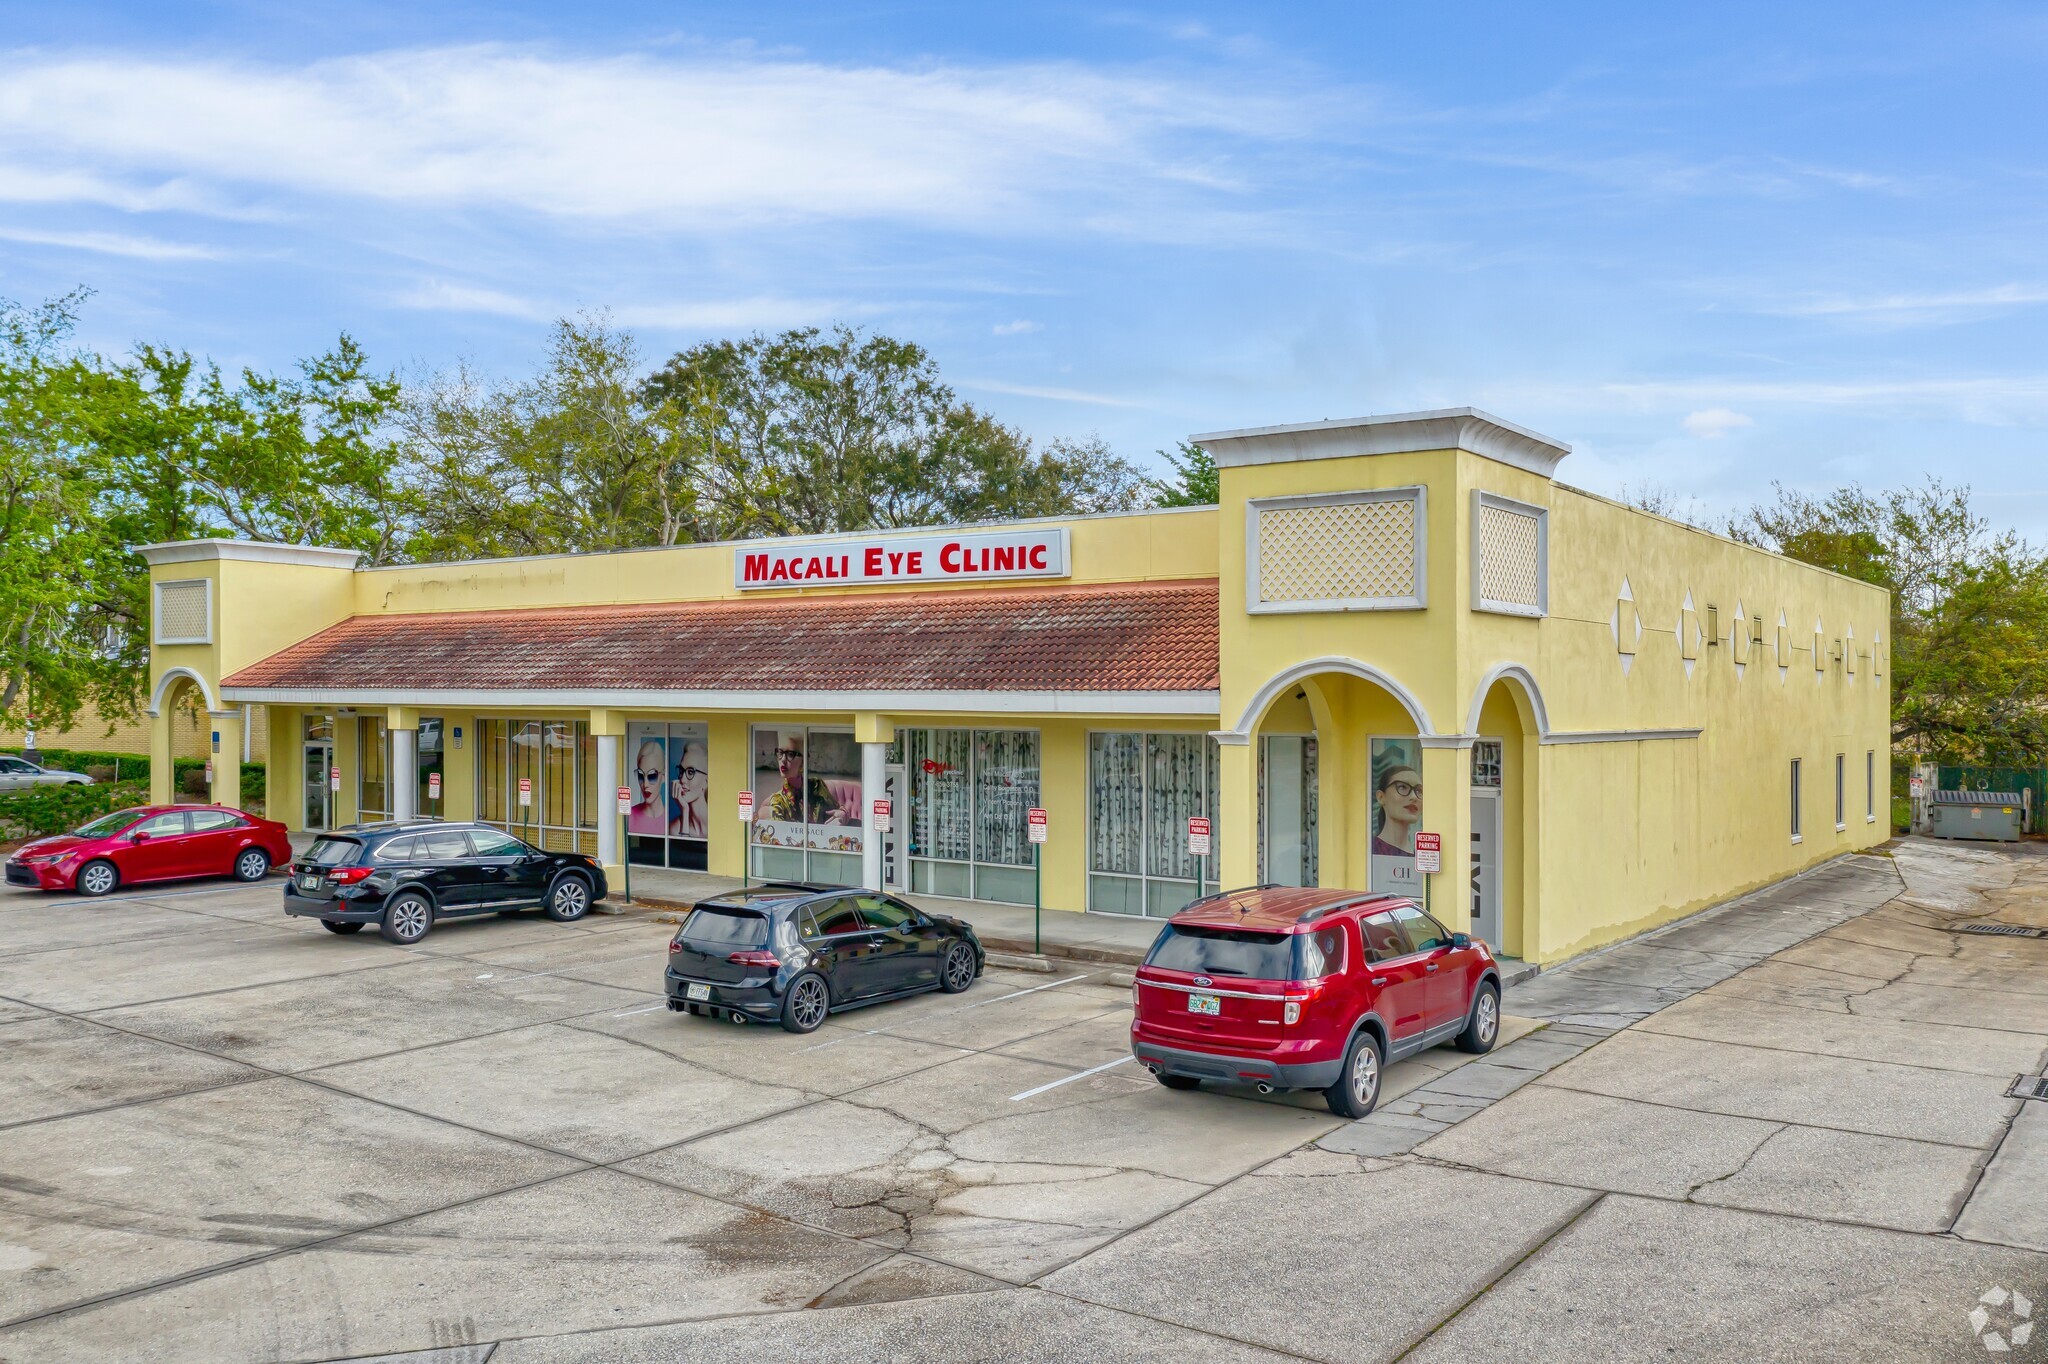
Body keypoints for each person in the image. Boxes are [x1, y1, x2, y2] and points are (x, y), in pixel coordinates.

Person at [766, 732, 847, 824]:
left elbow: (836, 809)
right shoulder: (778, 801)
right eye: (780, 752)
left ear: (804, 759)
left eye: (790, 754)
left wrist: (843, 813)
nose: (783, 760)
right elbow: (781, 834)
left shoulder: (816, 786)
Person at [1371, 760, 1422, 858]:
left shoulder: (1422, 859)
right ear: (1381, 797)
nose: (1414, 796)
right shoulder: (1368, 851)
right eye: (1402, 787)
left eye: (1419, 790)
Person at [669, 739, 709, 838]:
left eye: (690, 772)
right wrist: (685, 811)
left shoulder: (717, 824)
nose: (682, 779)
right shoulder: (675, 828)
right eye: (682, 771)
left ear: (706, 781)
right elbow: (683, 852)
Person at [629, 738, 669, 836]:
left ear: (663, 777)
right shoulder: (630, 816)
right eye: (640, 775)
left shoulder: (670, 819)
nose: (645, 784)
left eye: (652, 776)